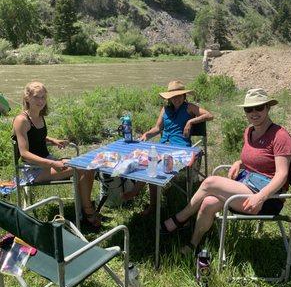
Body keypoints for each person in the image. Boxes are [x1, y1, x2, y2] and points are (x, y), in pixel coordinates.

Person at [161, 88, 291, 255]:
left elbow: (282, 175)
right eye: (249, 109)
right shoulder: (250, 131)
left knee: (210, 182)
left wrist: (260, 197)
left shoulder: (280, 136)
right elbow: (255, 159)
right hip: (246, 185)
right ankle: (193, 244)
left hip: (267, 198)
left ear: (268, 108)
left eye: (259, 108)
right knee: (209, 202)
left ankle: (180, 219)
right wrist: (240, 162)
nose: (254, 113)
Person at [12, 82, 101, 229]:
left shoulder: (38, 115)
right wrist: (54, 164)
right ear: (27, 98)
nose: (41, 101)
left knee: (88, 165)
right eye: (36, 97)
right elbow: (25, 153)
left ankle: (85, 207)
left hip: (46, 162)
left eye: (43, 97)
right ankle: (88, 212)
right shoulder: (22, 120)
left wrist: (52, 139)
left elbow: (35, 137)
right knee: (83, 169)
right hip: (33, 169)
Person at [122, 80, 214, 215]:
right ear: (169, 98)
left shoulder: (189, 107)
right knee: (145, 160)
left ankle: (138, 194)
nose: (176, 99)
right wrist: (147, 134)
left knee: (152, 165)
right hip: (163, 146)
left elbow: (210, 115)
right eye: (173, 96)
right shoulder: (165, 109)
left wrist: (190, 121)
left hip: (180, 148)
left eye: (179, 96)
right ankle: (146, 199)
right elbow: (158, 128)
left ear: (184, 96)